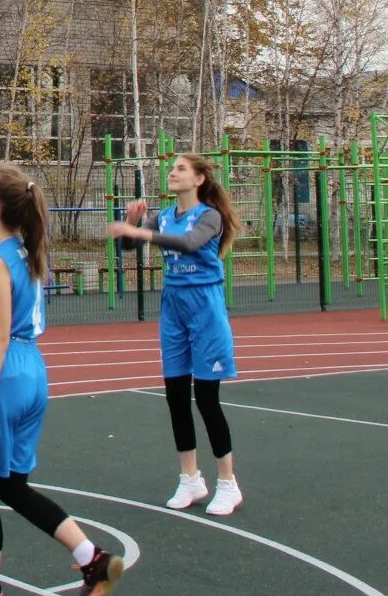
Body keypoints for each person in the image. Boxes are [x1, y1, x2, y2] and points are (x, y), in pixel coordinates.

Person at [0, 165, 123, 596]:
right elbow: (5, 326)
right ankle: (93, 560)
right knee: (11, 484)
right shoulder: (26, 253)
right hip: (31, 370)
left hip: (4, 378)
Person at [108, 152, 244, 518]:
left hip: (205, 307)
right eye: (172, 169)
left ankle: (228, 484)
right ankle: (190, 478)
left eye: (181, 169)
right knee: (175, 397)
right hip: (173, 306)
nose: (173, 173)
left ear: (199, 179)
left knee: (207, 399)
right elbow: (127, 247)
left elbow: (188, 244)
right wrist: (132, 222)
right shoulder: (164, 215)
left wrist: (140, 231)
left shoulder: (209, 216)